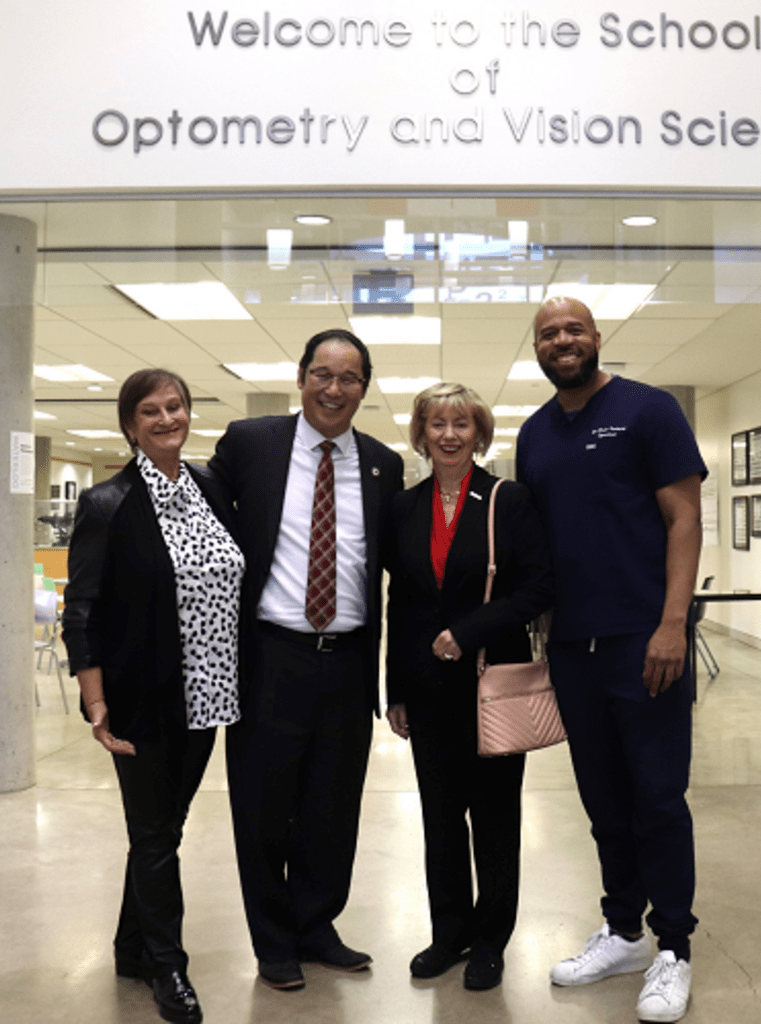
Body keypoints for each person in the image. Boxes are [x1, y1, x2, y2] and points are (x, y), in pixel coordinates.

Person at [516, 297, 706, 1024]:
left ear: (596, 339)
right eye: (548, 334)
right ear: (537, 348)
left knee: (658, 798)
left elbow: (683, 518)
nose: (562, 341)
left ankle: (675, 948)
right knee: (602, 803)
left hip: (642, 642)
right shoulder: (534, 434)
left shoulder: (650, 410)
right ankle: (624, 930)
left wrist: (671, 624)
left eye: (573, 330)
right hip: (572, 649)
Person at [210, 328, 404, 991]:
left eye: (349, 378)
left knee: (331, 803)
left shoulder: (383, 463)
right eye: (322, 374)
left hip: (348, 662)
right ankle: (273, 942)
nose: (334, 388)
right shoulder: (250, 444)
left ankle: (317, 924)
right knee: (263, 805)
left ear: (364, 389)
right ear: (300, 378)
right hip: (271, 654)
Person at [63, 369, 244, 1024]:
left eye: (175, 406)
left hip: (209, 694)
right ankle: (170, 966)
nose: (166, 418)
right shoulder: (109, 502)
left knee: (163, 828)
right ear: (129, 424)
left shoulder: (211, 489)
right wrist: (96, 701)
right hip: (142, 694)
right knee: (154, 831)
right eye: (150, 411)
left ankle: (131, 945)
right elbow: (80, 609)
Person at [385, 382, 552, 991]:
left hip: (491, 686)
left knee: (495, 818)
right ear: (421, 434)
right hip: (428, 693)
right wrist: (396, 688)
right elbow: (399, 602)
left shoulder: (510, 501)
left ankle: (490, 939)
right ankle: (448, 932)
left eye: (461, 424)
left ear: (479, 434)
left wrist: (467, 630)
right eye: (437, 424)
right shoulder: (404, 507)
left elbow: (536, 588)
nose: (449, 435)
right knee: (440, 818)